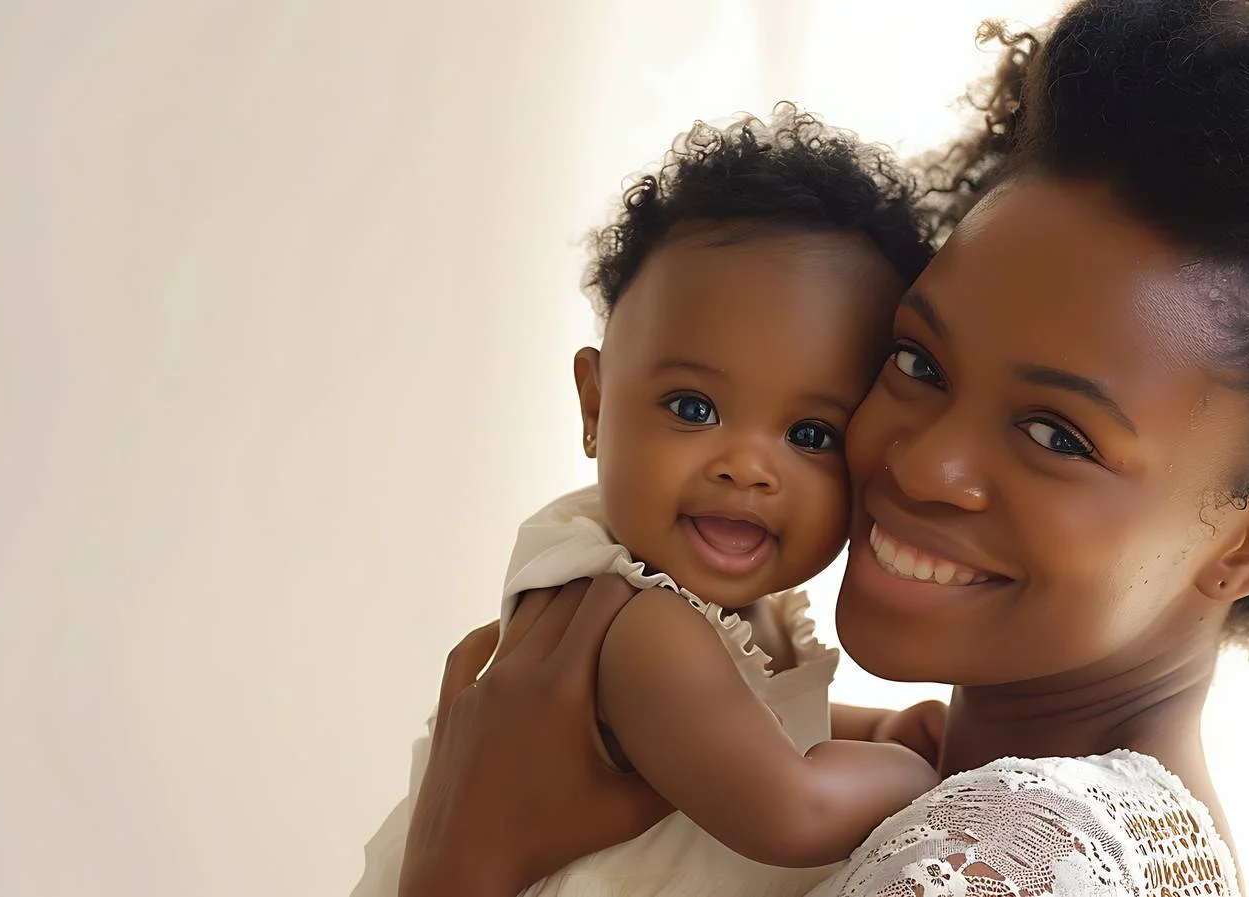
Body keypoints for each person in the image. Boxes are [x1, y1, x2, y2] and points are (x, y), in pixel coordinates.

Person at [398, 1, 1249, 894]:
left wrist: (467, 859)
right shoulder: (1075, 825)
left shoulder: (996, 864)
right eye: (918, 362)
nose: (917, 464)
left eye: (1056, 434)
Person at [354, 108, 956, 897]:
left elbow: (727, 736)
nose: (746, 467)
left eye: (810, 432)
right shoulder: (639, 623)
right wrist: (914, 770)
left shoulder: (721, 611)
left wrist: (871, 726)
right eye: (694, 408)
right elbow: (790, 807)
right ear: (595, 404)